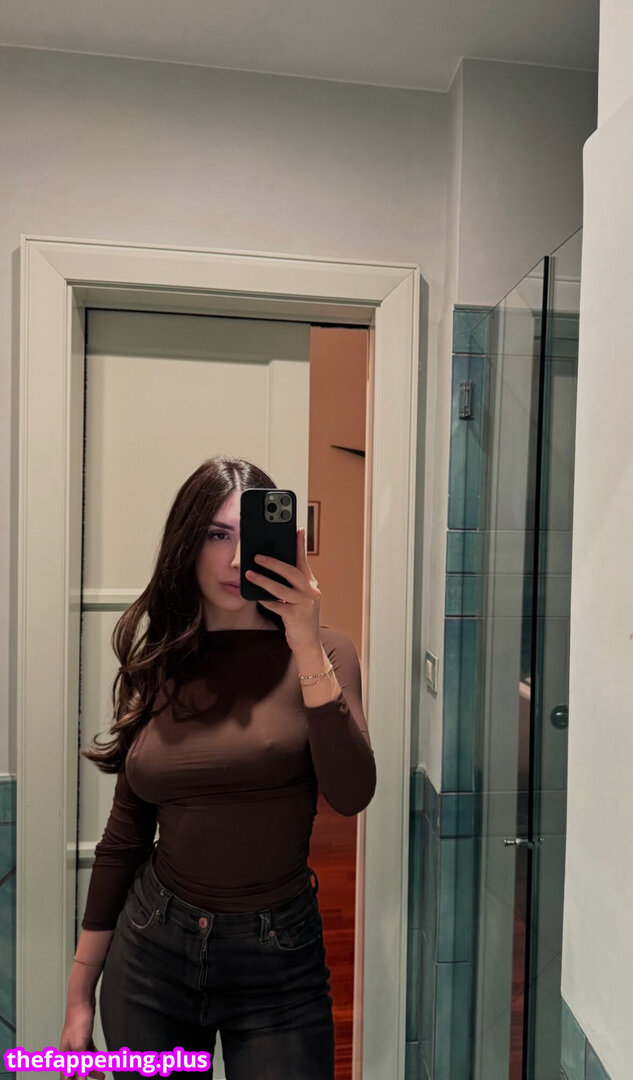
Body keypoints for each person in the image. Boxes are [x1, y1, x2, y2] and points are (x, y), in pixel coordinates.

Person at [59, 455, 377, 1080]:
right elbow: (125, 837)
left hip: (278, 961)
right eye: (215, 534)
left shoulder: (326, 652)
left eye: (249, 536)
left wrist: (305, 641)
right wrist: (78, 994)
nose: (234, 560)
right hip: (152, 952)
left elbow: (351, 792)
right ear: (186, 543)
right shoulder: (162, 658)